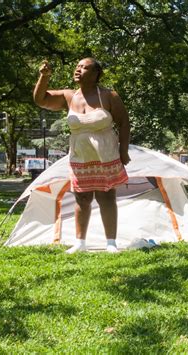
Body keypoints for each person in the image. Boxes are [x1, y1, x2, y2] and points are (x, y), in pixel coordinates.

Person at [33, 58, 131, 253]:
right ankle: (80, 243)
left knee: (106, 197)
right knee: (82, 199)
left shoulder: (109, 95)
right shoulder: (69, 96)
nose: (78, 70)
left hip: (106, 154)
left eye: (84, 68)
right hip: (80, 156)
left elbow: (124, 122)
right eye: (77, 67)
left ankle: (111, 243)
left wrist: (123, 151)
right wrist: (44, 77)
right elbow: (40, 99)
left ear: (96, 74)